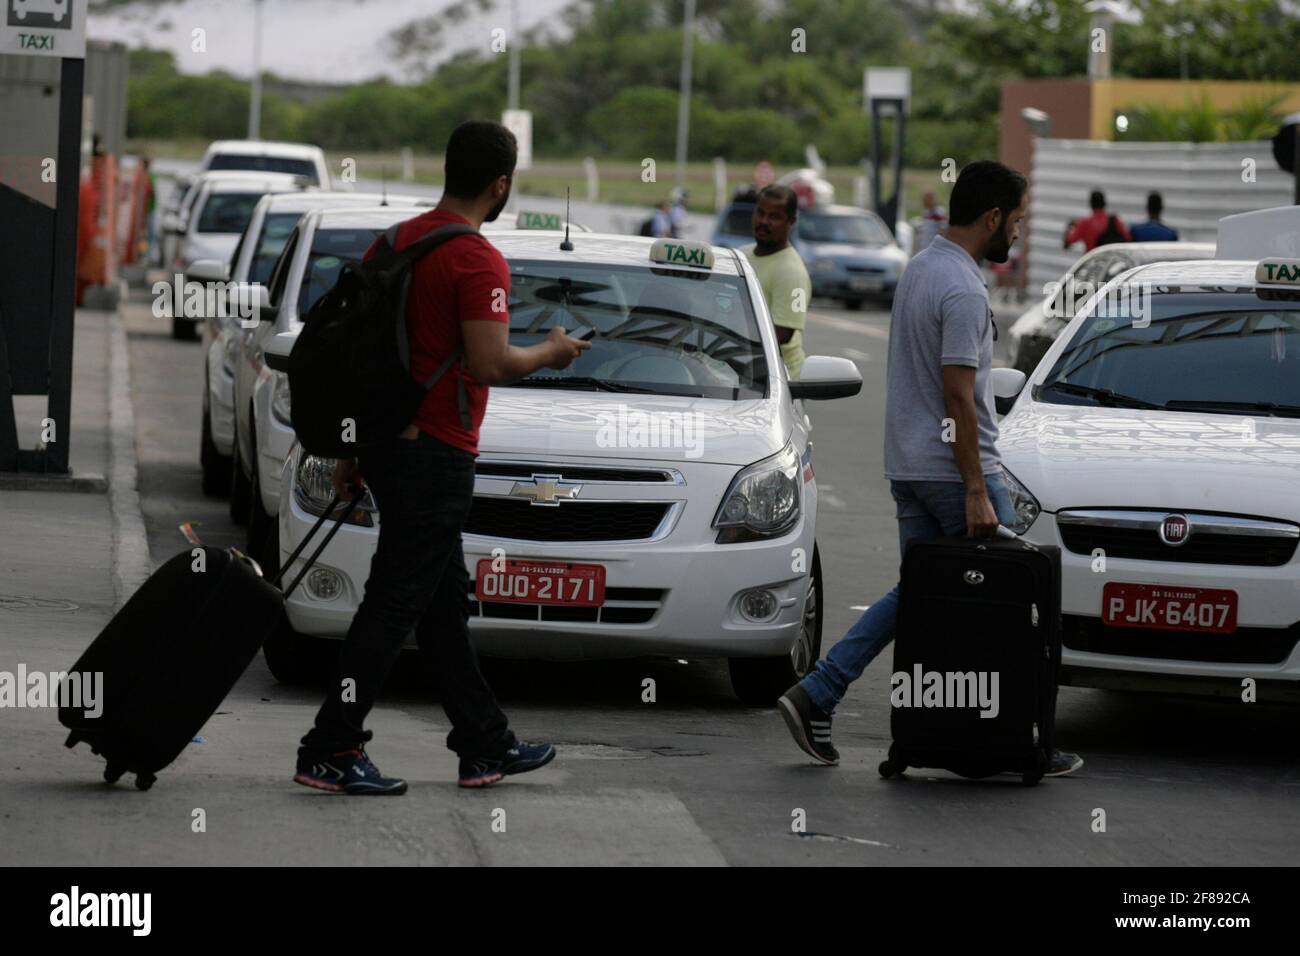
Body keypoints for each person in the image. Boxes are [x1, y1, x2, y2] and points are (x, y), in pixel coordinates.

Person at [293, 120, 591, 794]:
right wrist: (552, 350)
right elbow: (489, 362)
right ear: (501, 185)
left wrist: (354, 450)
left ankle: (485, 745)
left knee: (441, 602)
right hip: (435, 454)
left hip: (388, 443)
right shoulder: (477, 258)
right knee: (395, 603)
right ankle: (330, 746)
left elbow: (367, 359)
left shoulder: (395, 240)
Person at [777, 160, 1083, 778]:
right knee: (1022, 603)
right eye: (1017, 221)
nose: (1019, 235)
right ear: (992, 217)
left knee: (921, 597)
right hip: (955, 473)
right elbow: (958, 396)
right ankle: (1024, 741)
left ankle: (837, 698)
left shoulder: (922, 267)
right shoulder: (965, 289)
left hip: (910, 467)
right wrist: (976, 488)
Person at [741, 185, 812, 380]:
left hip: (778, 381)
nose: (764, 221)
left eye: (774, 217)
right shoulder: (741, 257)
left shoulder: (793, 273)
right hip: (740, 371)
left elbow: (784, 332)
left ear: (791, 221)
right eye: (760, 213)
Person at [1064, 189, 1130, 251]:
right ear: (1104, 203)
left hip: (1093, 261)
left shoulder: (1084, 223)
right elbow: (1128, 239)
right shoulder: (1115, 220)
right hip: (1112, 261)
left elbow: (1067, 243)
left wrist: (1070, 226)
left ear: (1090, 204)